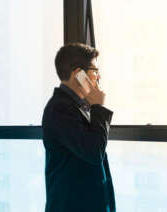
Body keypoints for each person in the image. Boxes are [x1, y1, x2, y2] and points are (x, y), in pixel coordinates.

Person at [42, 43, 116, 212]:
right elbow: (94, 151)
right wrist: (98, 107)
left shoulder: (78, 107)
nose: (98, 78)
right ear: (78, 74)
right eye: (95, 71)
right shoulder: (59, 109)